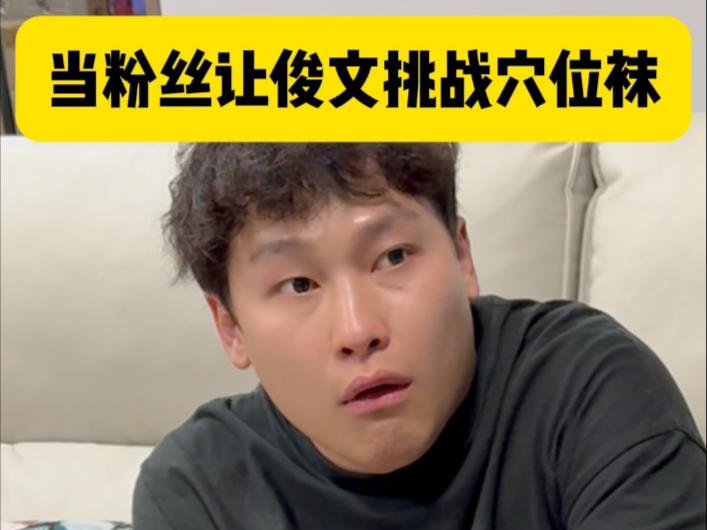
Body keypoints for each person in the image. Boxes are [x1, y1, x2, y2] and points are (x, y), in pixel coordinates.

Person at [132, 143, 706, 529]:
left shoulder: (588, 389)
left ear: (462, 256)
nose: (358, 330)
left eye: (393, 257)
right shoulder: (197, 490)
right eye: (299, 284)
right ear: (230, 328)